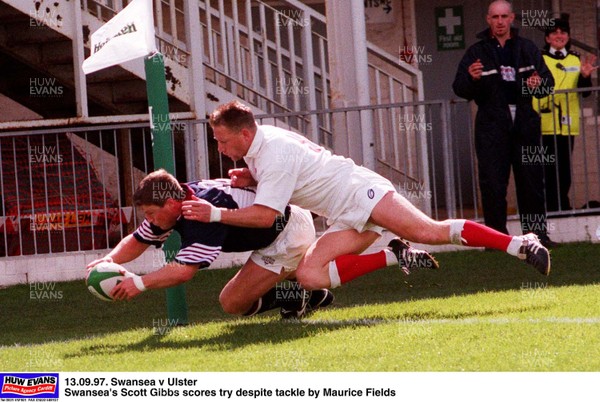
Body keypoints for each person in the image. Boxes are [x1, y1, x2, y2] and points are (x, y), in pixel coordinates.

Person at [181, 100, 551, 295]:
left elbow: (264, 216)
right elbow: (296, 170)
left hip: (360, 191)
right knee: (309, 275)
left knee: (428, 230)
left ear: (245, 133)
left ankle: (520, 243)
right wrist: (252, 175)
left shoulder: (273, 154)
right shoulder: (261, 147)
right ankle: (394, 253)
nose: (220, 145)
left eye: (223, 140)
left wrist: (213, 215)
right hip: (343, 213)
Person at [86, 169, 333, 319]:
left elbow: (183, 271)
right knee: (240, 296)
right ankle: (303, 292)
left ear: (172, 204)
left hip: (287, 233)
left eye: (151, 213)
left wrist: (138, 283)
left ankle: (296, 292)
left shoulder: (200, 215)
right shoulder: (180, 199)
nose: (149, 220)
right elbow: (139, 239)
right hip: (275, 227)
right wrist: (111, 259)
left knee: (233, 302)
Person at [452, 0, 556, 247]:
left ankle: (537, 237)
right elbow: (460, 89)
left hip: (526, 125)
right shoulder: (476, 52)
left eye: (504, 16)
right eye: (495, 17)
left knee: (531, 182)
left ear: (512, 19)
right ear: (488, 20)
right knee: (493, 182)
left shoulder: (527, 48)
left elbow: (547, 84)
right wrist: (472, 78)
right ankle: (496, 240)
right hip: (491, 126)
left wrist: (536, 84)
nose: (499, 21)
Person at [533, 17, 597, 211]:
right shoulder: (538, 58)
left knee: (564, 171)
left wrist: (585, 77)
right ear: (547, 38)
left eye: (563, 32)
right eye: (554, 32)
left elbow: (584, 93)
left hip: (566, 126)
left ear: (568, 37)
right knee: (547, 170)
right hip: (544, 124)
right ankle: (550, 208)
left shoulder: (575, 59)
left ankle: (562, 207)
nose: (559, 36)